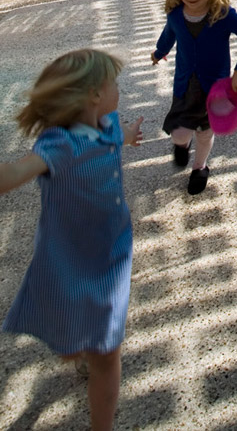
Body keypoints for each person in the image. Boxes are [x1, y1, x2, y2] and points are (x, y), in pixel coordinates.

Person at [1, 49, 143, 431]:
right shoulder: (59, 145)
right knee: (84, 333)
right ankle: (83, 349)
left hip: (113, 250)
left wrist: (129, 137)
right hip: (69, 255)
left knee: (105, 350)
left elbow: (115, 138)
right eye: (114, 83)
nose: (119, 90)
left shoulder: (108, 122)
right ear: (94, 94)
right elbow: (16, 172)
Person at [151, 0, 237, 195]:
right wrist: (160, 51)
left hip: (214, 89)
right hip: (185, 85)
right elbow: (170, 33)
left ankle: (200, 167)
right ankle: (181, 144)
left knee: (205, 131)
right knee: (179, 131)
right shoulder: (176, 14)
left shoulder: (222, 15)